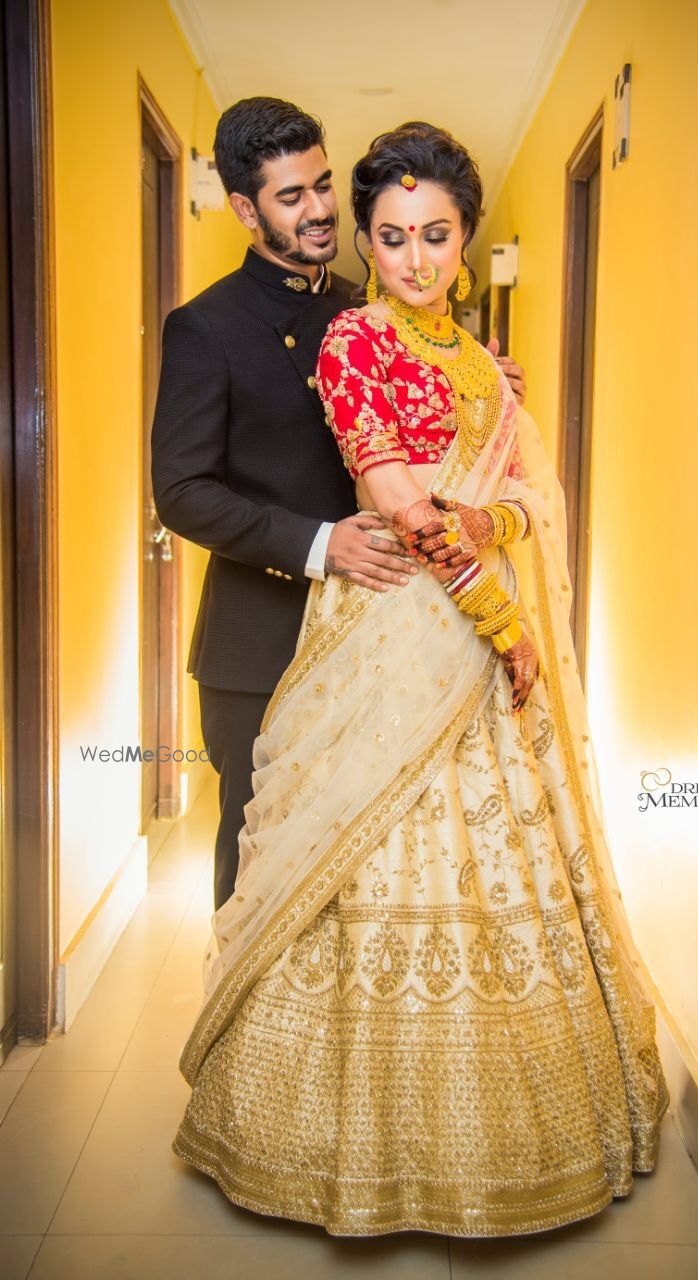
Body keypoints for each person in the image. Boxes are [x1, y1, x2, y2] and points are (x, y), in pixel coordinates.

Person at [172, 121, 670, 1237]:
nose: (410, 255)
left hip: (454, 633)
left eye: (433, 234)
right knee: (321, 846)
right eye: (388, 235)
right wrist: (498, 614)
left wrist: (488, 489)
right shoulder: (308, 335)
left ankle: (497, 1124)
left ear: (459, 236)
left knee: (498, 853)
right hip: (368, 625)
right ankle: (320, 1120)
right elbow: (379, 505)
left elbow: (515, 488)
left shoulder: (465, 348)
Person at [151, 99, 526, 911]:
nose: (319, 208)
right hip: (263, 641)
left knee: (367, 868)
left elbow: (433, 427)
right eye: (292, 197)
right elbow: (180, 492)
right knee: (263, 861)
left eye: (322, 184)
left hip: (390, 627)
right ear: (245, 210)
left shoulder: (378, 305)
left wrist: (485, 393)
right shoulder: (206, 328)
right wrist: (321, 544)